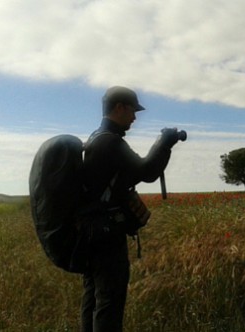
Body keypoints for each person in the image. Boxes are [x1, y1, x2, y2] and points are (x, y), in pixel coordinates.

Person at [79, 86, 183, 331]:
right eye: (133, 110)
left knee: (92, 298)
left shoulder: (95, 138)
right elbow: (146, 172)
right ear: (119, 108)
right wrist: (165, 143)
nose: (135, 117)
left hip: (89, 233)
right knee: (109, 302)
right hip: (106, 235)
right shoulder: (111, 143)